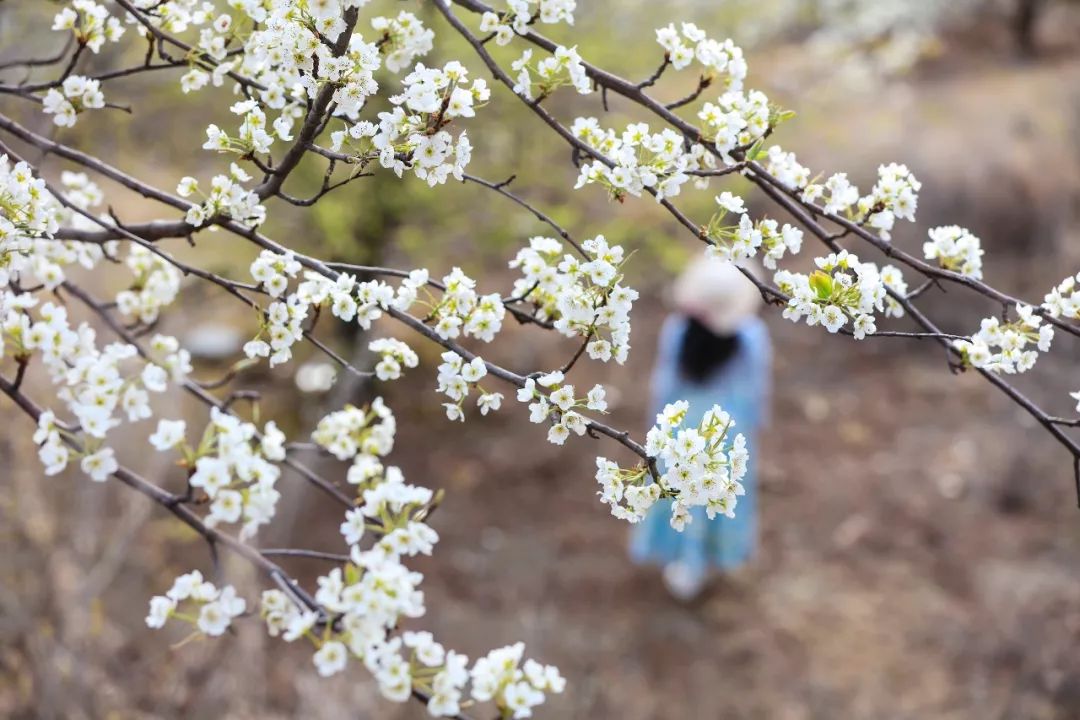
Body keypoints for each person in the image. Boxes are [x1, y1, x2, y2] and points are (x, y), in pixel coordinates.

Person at [630, 255, 771, 601]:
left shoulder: (677, 329)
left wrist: (657, 427)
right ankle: (711, 557)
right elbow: (756, 387)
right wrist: (756, 423)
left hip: (682, 426)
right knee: (717, 496)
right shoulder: (752, 335)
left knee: (680, 495)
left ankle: (682, 563)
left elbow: (664, 384)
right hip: (728, 429)